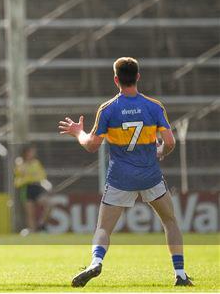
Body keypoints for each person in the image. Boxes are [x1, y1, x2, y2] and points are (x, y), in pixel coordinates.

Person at [58, 57, 193, 287]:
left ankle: (96, 262)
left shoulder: (108, 109)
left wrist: (78, 132)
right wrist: (160, 151)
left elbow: (91, 145)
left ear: (116, 79)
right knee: (170, 221)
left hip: (120, 178)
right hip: (150, 176)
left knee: (103, 228)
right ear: (138, 77)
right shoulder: (153, 106)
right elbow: (169, 141)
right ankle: (180, 274)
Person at [14, 145, 52, 234]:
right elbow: (21, 172)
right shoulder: (20, 162)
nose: (33, 154)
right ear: (26, 152)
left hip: (36, 187)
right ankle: (33, 232)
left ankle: (41, 224)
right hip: (26, 188)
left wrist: (46, 185)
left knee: (49, 204)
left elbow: (42, 176)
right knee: (30, 213)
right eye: (31, 152)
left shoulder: (36, 163)